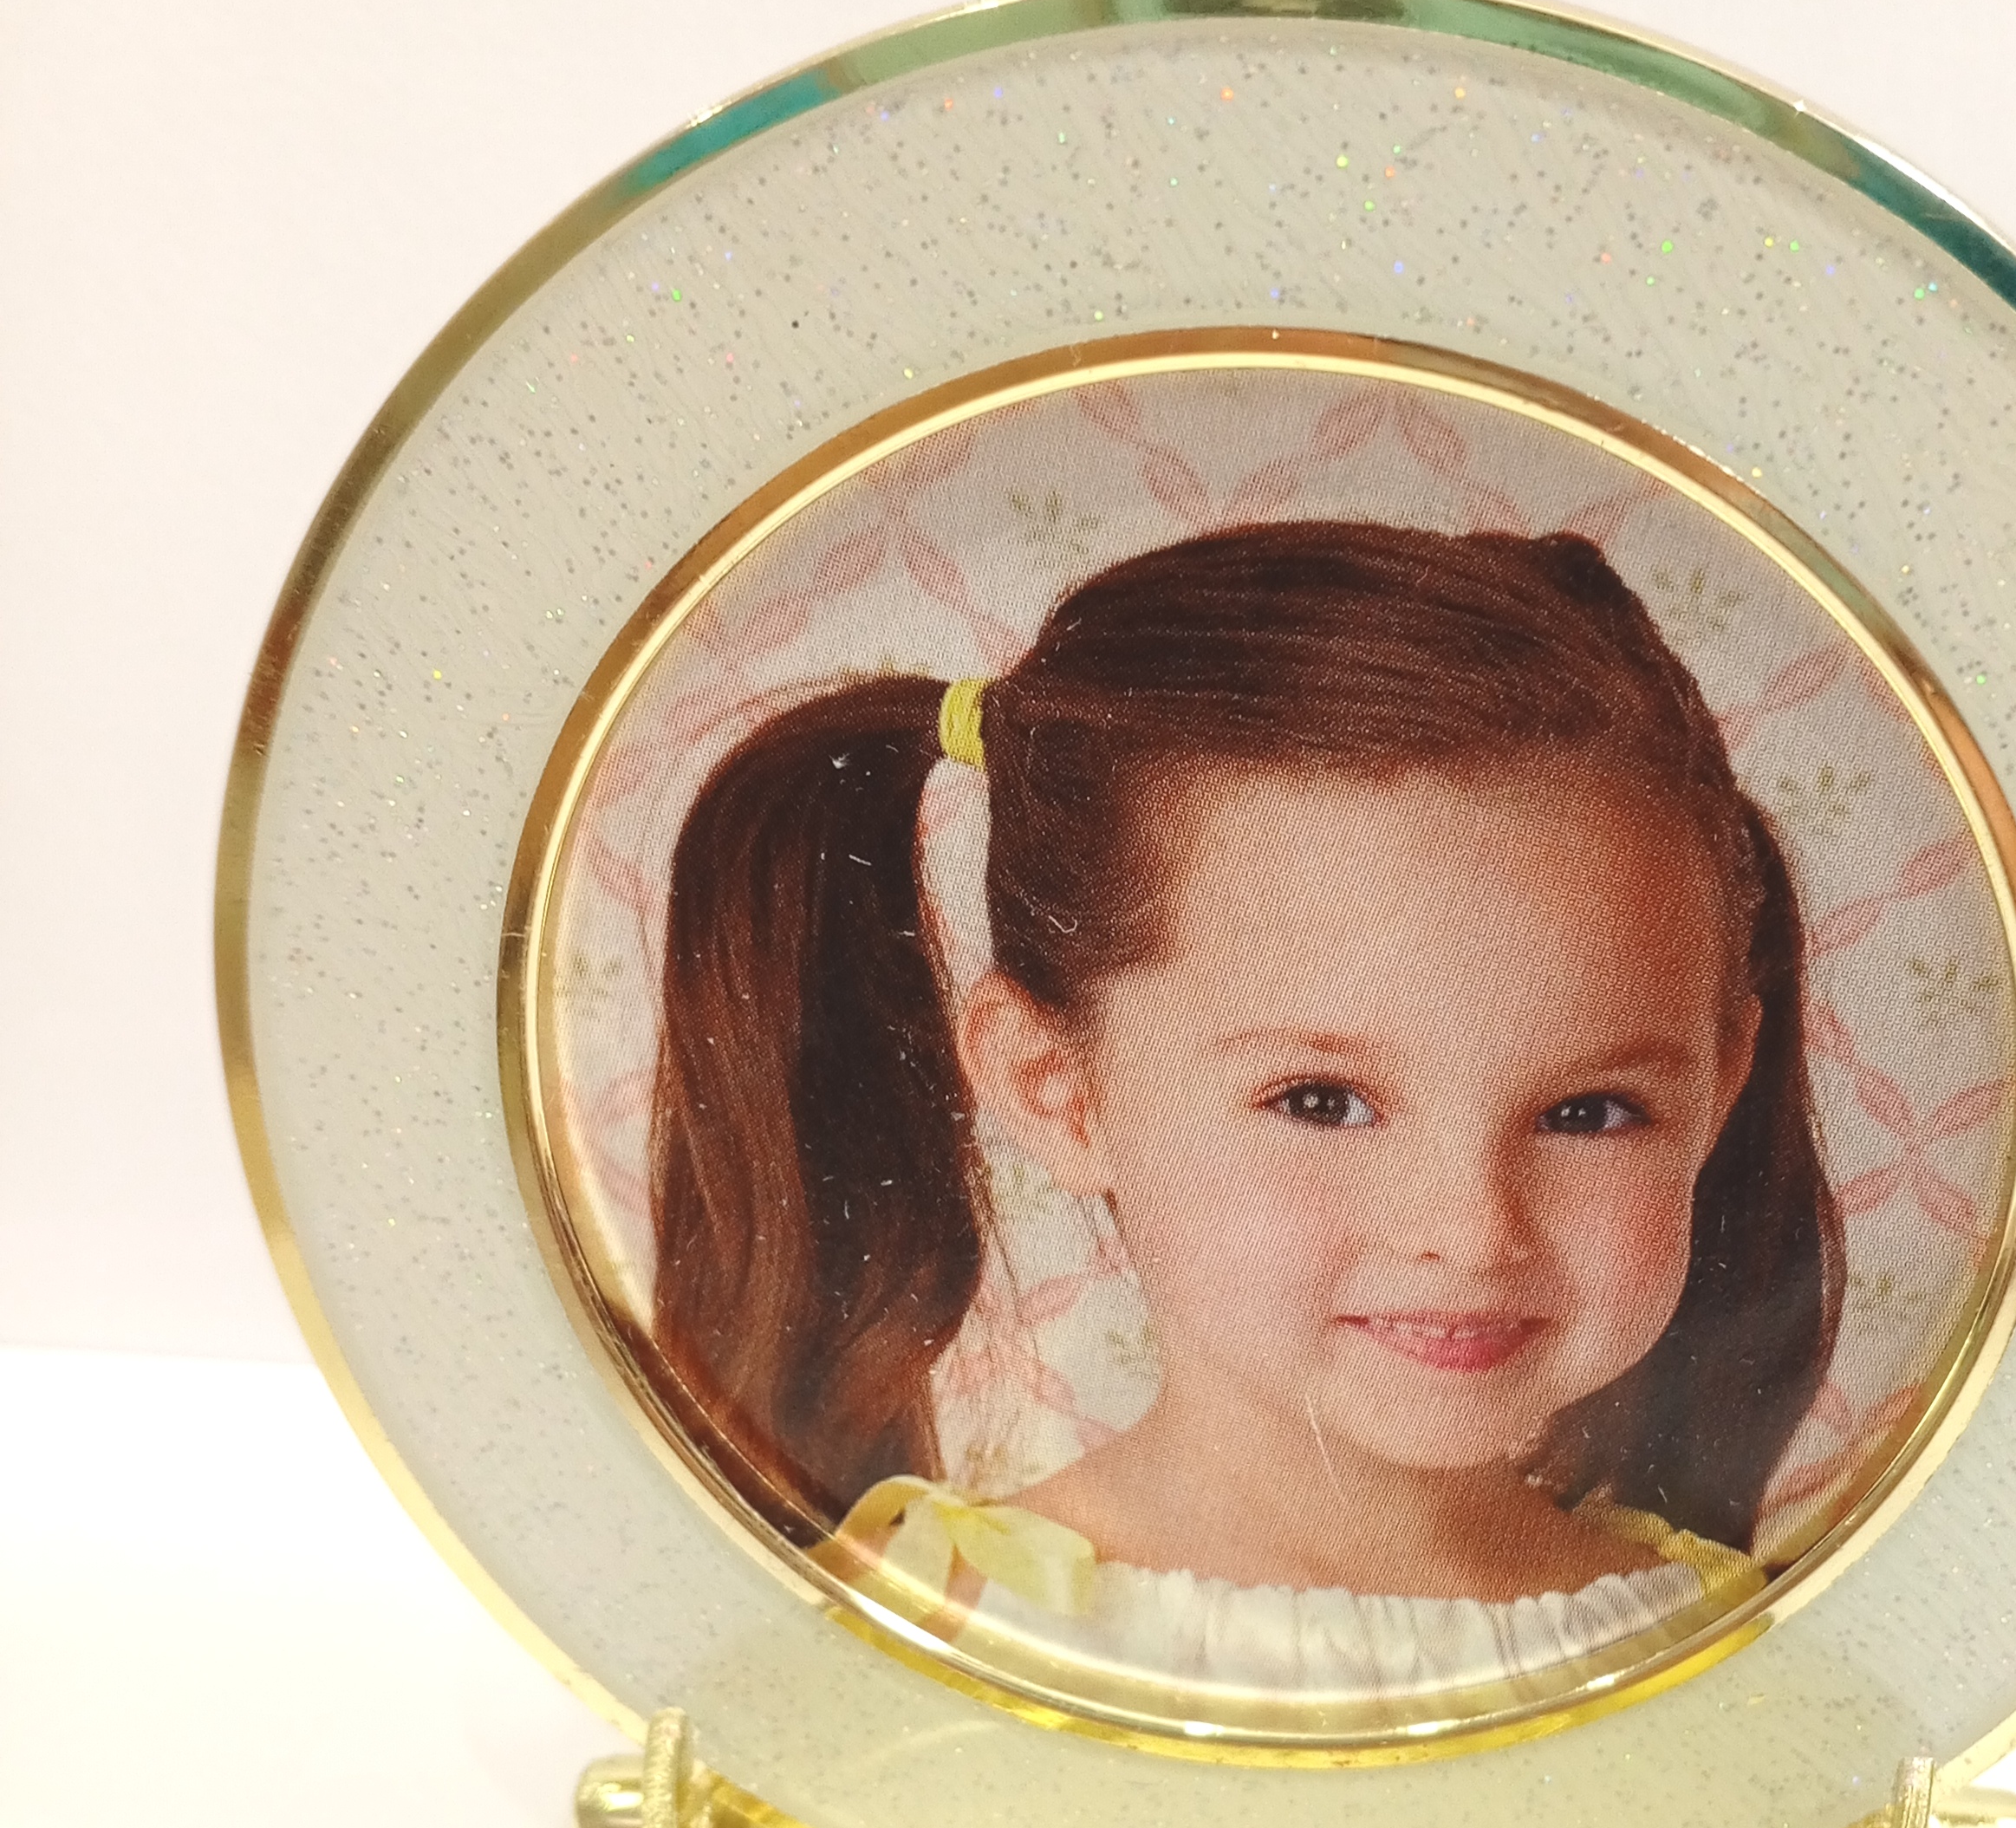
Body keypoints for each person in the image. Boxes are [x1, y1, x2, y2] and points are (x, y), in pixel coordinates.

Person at [647, 519, 1840, 1710]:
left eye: (1589, 1111)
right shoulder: (904, 1649)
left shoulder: (1750, 1657)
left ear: (1718, 1085)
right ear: (1060, 1088)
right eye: (1322, 1101)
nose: (1472, 1231)